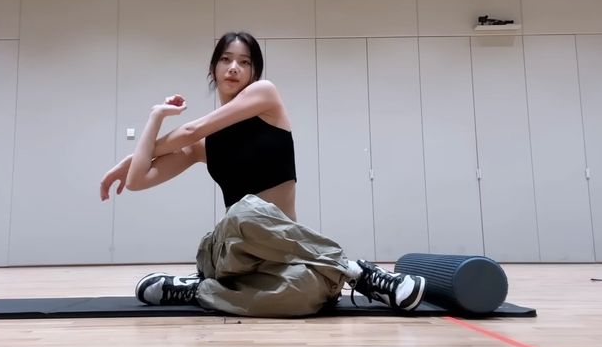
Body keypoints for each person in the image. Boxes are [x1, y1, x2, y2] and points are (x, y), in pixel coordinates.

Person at [100, 32, 425, 317]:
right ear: (213, 68)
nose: (233, 68)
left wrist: (133, 156)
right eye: (225, 59)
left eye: (244, 62)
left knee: (311, 294)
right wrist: (156, 117)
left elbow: (191, 129)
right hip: (232, 251)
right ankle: (356, 271)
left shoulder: (266, 97)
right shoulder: (201, 145)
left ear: (255, 72)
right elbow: (137, 180)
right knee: (246, 210)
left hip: (279, 259)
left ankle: (198, 290)